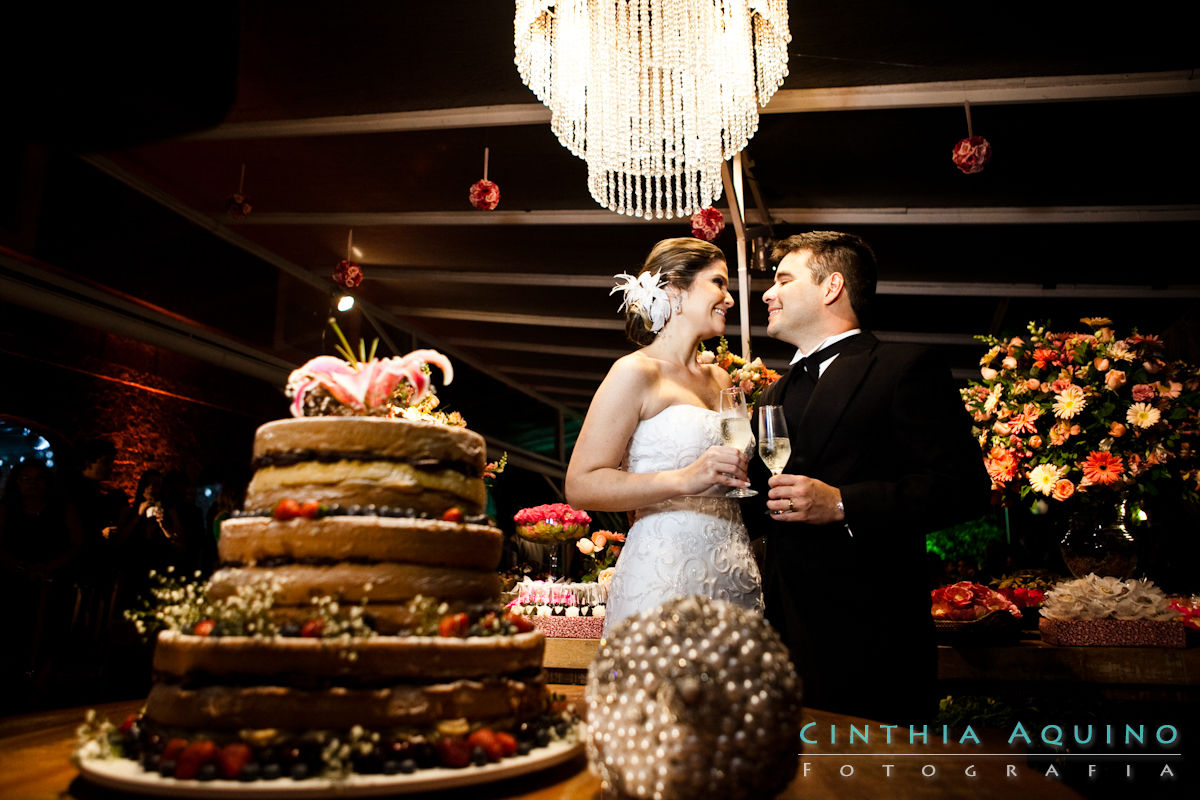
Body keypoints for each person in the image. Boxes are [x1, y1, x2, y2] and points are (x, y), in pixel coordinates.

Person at [749, 231, 989, 723]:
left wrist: (842, 503)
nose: (768, 294)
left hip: (872, 632)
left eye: (783, 279)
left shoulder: (902, 367)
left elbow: (963, 489)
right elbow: (764, 506)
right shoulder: (772, 393)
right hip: (784, 632)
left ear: (832, 286)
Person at [565, 237, 763, 633]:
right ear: (675, 289)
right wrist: (686, 479)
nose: (730, 299)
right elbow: (581, 485)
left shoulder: (722, 379)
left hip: (735, 569)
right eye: (719, 283)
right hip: (664, 572)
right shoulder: (635, 372)